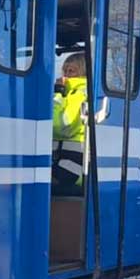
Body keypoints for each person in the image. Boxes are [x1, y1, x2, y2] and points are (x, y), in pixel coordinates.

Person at [52, 53, 87, 195]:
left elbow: (62, 126)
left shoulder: (80, 94)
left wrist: (57, 94)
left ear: (82, 72)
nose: (66, 75)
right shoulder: (67, 94)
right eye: (64, 70)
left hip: (73, 163)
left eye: (71, 71)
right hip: (58, 159)